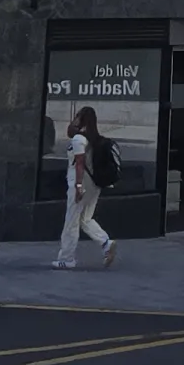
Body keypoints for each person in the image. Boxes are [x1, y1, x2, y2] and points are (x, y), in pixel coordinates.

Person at [52, 104, 117, 270]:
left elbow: (80, 163)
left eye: (77, 116)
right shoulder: (93, 138)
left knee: (71, 221)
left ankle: (67, 258)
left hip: (80, 184)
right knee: (85, 218)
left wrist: (78, 186)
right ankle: (106, 243)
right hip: (94, 185)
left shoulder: (79, 139)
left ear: (81, 119)